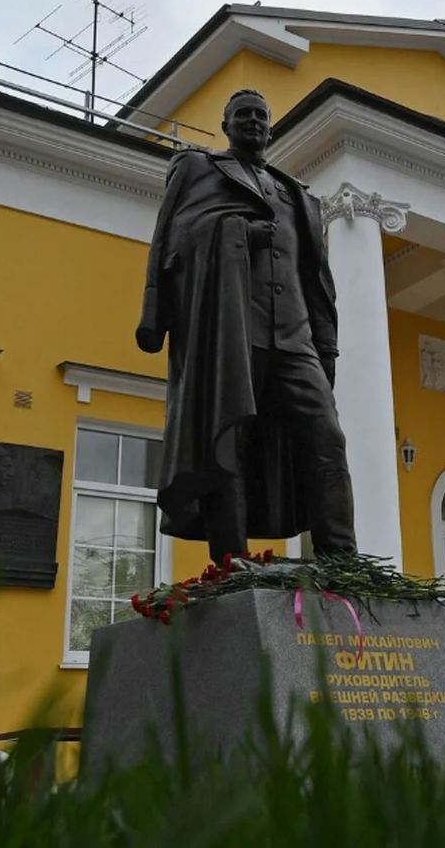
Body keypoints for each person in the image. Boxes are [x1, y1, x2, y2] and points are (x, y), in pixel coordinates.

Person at [136, 88, 357, 565]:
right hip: (231, 331)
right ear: (226, 125)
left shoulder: (297, 195)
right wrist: (237, 234)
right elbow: (173, 242)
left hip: (295, 339)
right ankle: (231, 561)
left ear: (271, 127)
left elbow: (315, 278)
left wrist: (327, 347)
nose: (253, 121)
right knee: (227, 437)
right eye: (243, 115)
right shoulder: (199, 169)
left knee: (327, 436)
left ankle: (340, 559)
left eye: (261, 114)